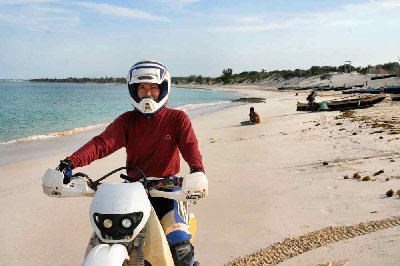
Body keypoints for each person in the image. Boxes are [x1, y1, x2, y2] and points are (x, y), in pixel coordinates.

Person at [56, 60, 207, 266]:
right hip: (133, 190)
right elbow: (102, 144)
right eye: (142, 87)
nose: (148, 93)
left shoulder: (177, 119)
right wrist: (70, 162)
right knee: (107, 237)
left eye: (153, 87)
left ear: (163, 89)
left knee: (179, 244)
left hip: (169, 192)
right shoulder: (127, 120)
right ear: (134, 90)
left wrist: (198, 171)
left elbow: (191, 148)